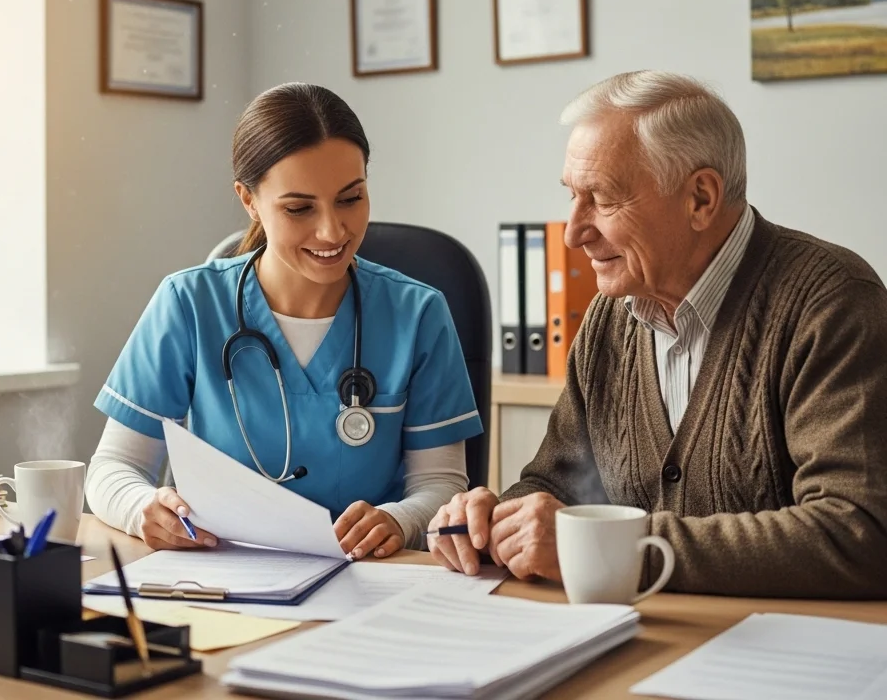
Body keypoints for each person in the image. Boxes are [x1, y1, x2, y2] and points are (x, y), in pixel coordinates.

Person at [430, 71, 887, 598]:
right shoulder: (610, 316)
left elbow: (859, 533)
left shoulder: (830, 302)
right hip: (644, 637)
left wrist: (618, 548)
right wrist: (496, 519)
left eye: (600, 199)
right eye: (572, 197)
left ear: (700, 198)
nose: (574, 232)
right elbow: (555, 485)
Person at [86, 82, 481, 559]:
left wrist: (400, 520)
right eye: (299, 208)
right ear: (249, 200)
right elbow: (113, 467)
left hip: (367, 580)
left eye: (351, 198)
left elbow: (441, 484)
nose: (332, 230)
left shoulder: (416, 314)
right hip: (226, 578)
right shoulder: (189, 303)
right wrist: (142, 507)